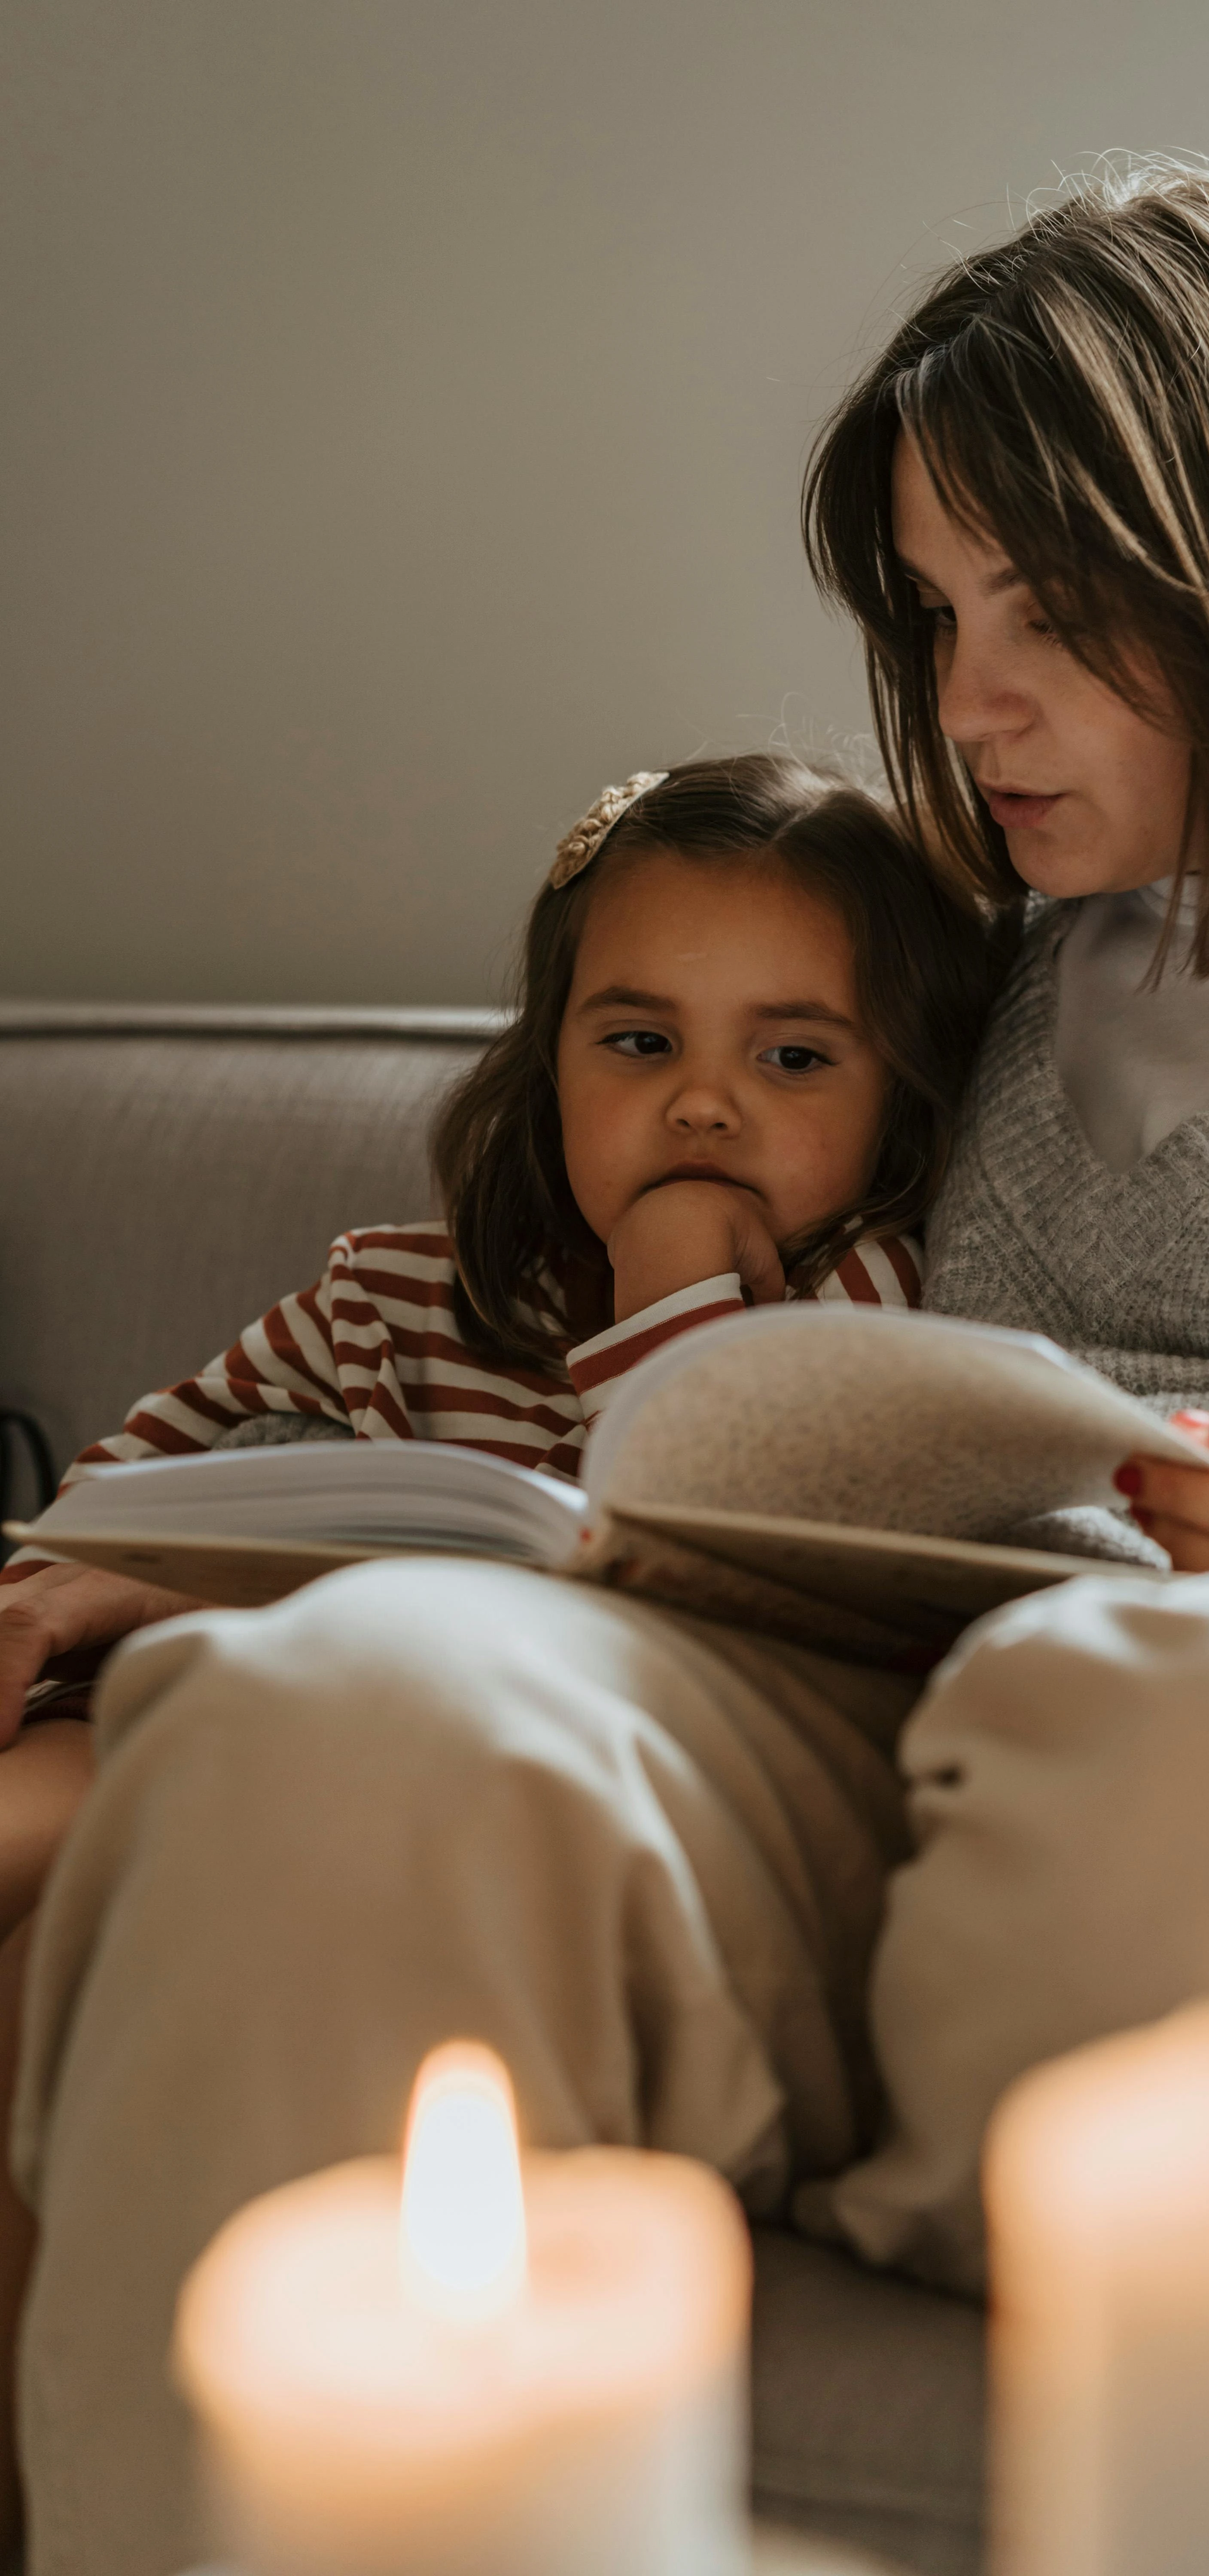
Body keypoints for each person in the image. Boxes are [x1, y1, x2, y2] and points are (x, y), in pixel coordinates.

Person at [8, 156, 1209, 2576]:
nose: (968, 703)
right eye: (934, 615)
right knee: (346, 1725)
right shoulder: (966, 958)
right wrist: (227, 1567)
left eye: (1055, 612)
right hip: (921, 1697)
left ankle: (997, 2148)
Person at [0, 750, 993, 2560]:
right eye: (639, 1043)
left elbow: (710, 1562)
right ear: (549, 1068)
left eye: (792, 1059)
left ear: (902, 1102)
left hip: (485, 1777)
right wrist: (73, 1582)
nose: (702, 1105)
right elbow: (142, 1473)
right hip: (211, 1711)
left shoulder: (873, 1303)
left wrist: (677, 1282)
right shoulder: (396, 1292)